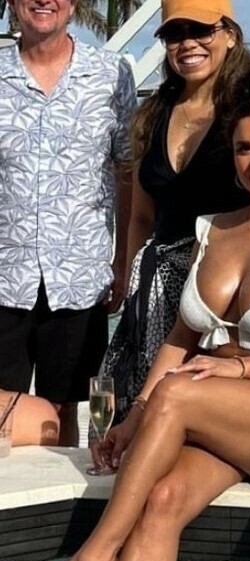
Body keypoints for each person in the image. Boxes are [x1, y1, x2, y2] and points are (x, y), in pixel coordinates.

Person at [55, 51, 250, 561]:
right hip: (225, 416)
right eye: (245, 148)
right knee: (163, 498)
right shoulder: (214, 229)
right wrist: (134, 416)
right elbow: (181, 338)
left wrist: (236, 370)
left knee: (178, 391)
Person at [100, 0, 250, 426]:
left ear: (230, 35)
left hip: (224, 297)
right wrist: (128, 281)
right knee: (133, 415)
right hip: (156, 295)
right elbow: (142, 216)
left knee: (205, 419)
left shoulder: (249, 111)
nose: (187, 43)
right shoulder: (153, 114)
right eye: (174, 34)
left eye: (200, 30)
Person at [0, 0, 136, 446]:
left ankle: (61, 487)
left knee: (66, 407)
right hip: (4, 274)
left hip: (80, 275)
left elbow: (127, 170)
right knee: (3, 412)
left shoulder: (111, 74)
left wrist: (123, 261)